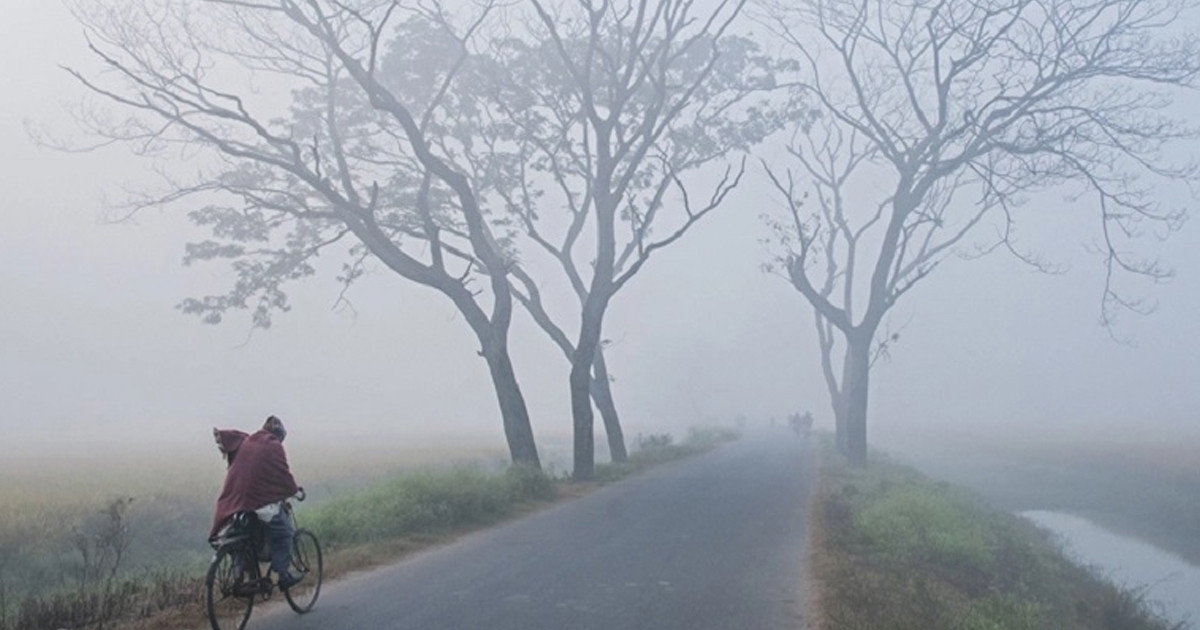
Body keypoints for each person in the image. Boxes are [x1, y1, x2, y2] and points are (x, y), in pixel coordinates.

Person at [209, 415, 303, 590]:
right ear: (279, 435)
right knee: (285, 533)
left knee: (242, 536)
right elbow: (283, 474)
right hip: (258, 501)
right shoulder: (274, 446)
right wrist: (295, 491)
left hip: (237, 501)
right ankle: (283, 575)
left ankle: (239, 575)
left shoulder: (248, 441)